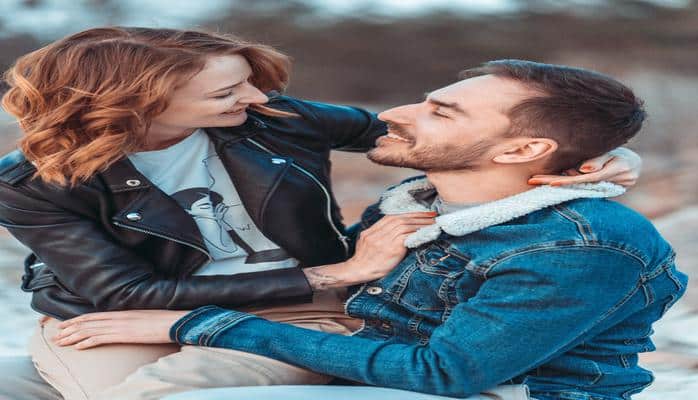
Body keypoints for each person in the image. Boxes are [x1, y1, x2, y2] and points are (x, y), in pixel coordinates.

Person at [0, 27, 641, 400]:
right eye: (227, 90)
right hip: (128, 313)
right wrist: (338, 272)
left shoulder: (271, 118)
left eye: (251, 80)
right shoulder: (31, 182)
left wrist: (592, 156)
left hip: (306, 308)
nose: (256, 96)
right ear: (136, 104)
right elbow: (128, 293)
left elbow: (414, 137)